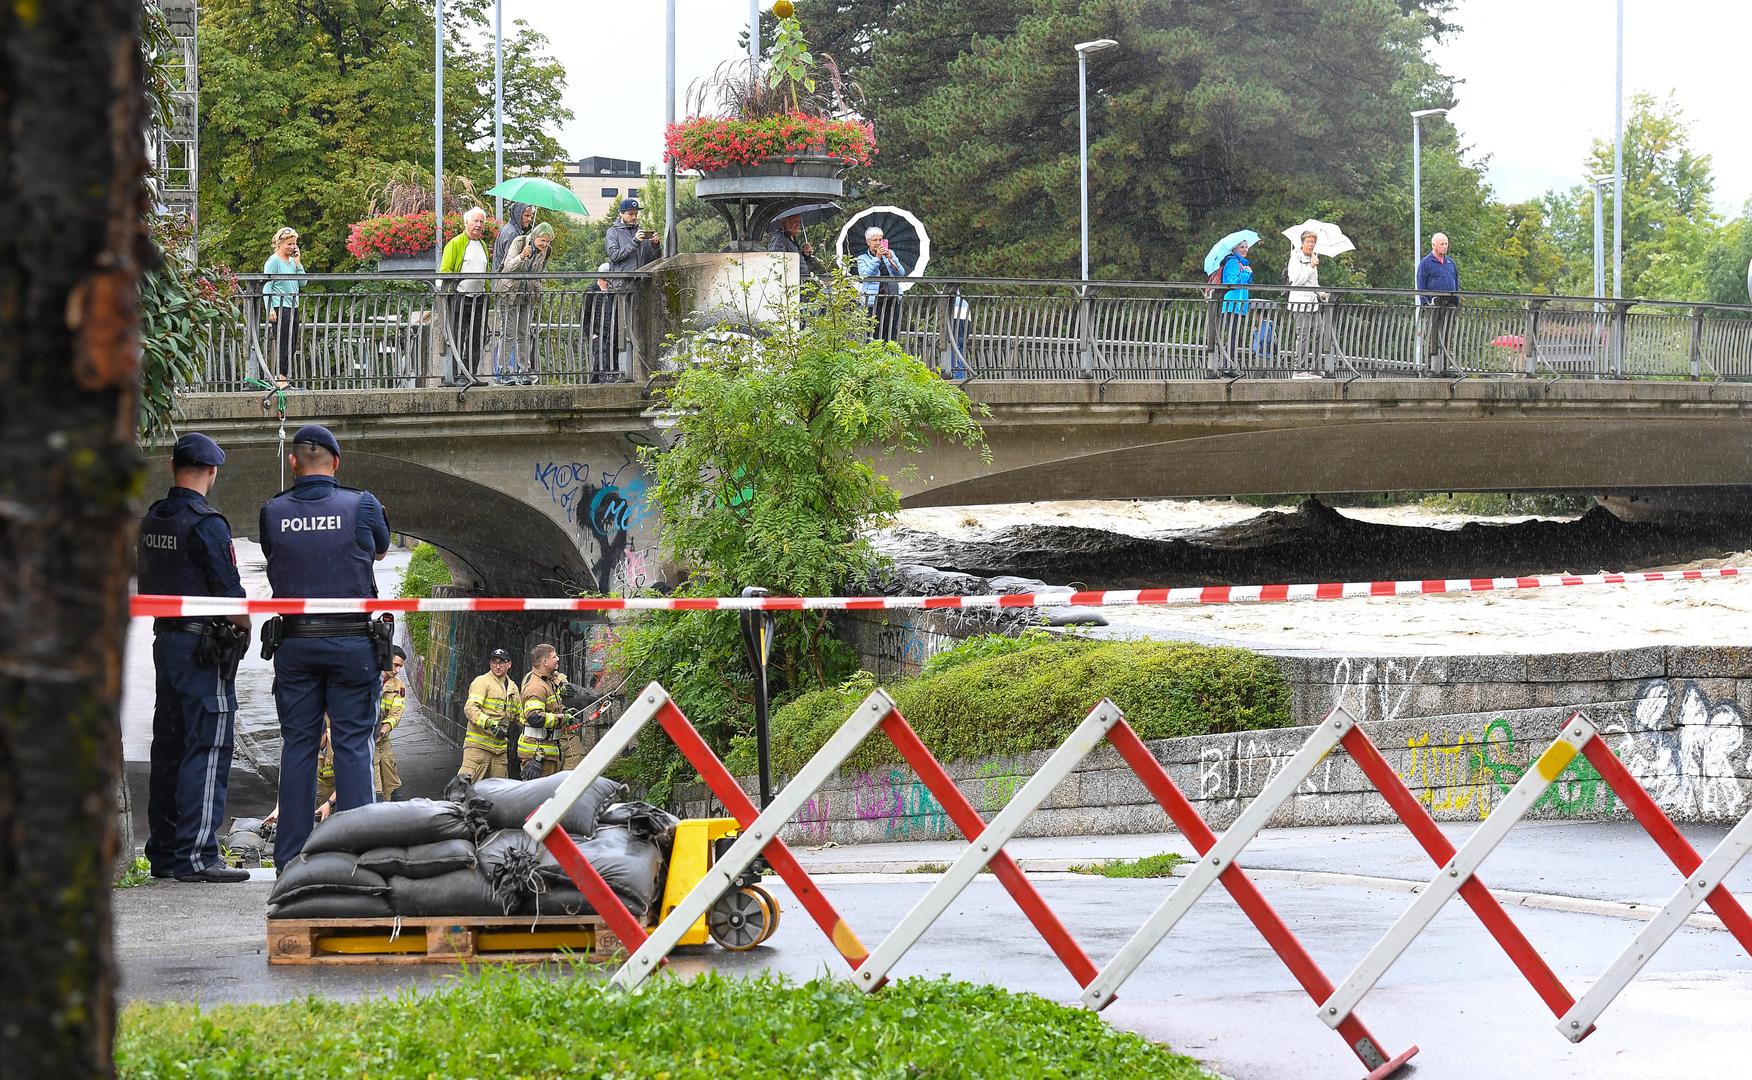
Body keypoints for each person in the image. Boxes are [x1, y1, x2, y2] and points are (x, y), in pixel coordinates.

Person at [260, 424, 391, 869]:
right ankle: (357, 856)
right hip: (352, 643)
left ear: (293, 463)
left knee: (298, 745)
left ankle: (290, 860)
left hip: (295, 644)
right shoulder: (363, 505)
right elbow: (379, 552)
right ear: (336, 463)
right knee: (353, 744)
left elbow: (279, 554)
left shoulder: (272, 511)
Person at [138, 432, 251, 883]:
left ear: (171, 466)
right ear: (213, 471)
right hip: (203, 647)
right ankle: (199, 856)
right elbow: (229, 594)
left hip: (165, 642)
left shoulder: (153, 519)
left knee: (169, 745)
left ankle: (164, 854)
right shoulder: (207, 523)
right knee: (208, 745)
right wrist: (245, 627)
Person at [496, 221, 554, 384]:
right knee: (507, 334)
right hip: (509, 293)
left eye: (547, 241)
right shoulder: (520, 242)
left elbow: (539, 271)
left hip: (528, 295)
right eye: (542, 240)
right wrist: (522, 256)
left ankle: (524, 371)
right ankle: (503, 371)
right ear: (534, 237)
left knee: (524, 333)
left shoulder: (546, 251)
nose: (545, 244)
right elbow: (507, 267)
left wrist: (537, 287)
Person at [440, 207, 493, 382]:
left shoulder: (483, 245)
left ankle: (470, 374)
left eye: (481, 222)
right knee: (458, 337)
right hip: (460, 298)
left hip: (479, 298)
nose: (478, 225)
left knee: (477, 338)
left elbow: (486, 272)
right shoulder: (455, 243)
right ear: (466, 223)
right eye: (475, 221)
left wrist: (488, 294)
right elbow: (445, 271)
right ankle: (455, 375)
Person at [459, 648, 518, 781]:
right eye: (494, 662)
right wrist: (489, 723)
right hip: (477, 749)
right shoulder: (482, 682)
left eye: (501, 662)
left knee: (500, 794)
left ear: (509, 664)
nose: (497, 666)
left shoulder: (512, 687)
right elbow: (470, 708)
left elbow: (518, 715)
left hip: (499, 751)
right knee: (462, 788)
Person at [518, 643, 570, 779]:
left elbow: (551, 707)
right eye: (554, 656)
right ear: (544, 662)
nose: (558, 659)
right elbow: (535, 717)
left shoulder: (547, 682)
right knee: (537, 797)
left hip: (547, 753)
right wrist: (562, 719)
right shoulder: (536, 686)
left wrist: (565, 711)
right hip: (537, 754)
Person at [262, 227, 304, 389]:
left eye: (294, 244)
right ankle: (281, 379)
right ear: (279, 244)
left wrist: (298, 263)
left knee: (292, 343)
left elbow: (302, 282)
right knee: (283, 342)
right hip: (280, 306)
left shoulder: (293, 262)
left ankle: (284, 377)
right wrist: (270, 308)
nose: (292, 247)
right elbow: (267, 285)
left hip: (293, 305)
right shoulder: (274, 261)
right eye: (289, 244)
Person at [1417, 232, 1461, 375]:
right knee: (1433, 336)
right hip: (1434, 306)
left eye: (1446, 244)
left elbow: (1456, 282)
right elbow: (1421, 286)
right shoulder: (1426, 263)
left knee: (1448, 335)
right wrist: (1427, 303)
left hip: (1450, 305)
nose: (1445, 247)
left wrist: (1456, 301)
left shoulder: (1450, 263)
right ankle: (1431, 367)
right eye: (1442, 244)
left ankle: (1445, 367)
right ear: (1434, 245)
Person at [855, 226, 908, 342]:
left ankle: (889, 357)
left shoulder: (890, 254)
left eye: (880, 240)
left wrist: (892, 258)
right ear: (868, 242)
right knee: (874, 333)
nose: (878, 243)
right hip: (873, 301)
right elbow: (865, 276)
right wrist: (877, 258)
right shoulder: (862, 259)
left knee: (891, 333)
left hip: (892, 299)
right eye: (875, 240)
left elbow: (901, 274)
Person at [1286, 230, 1324, 373]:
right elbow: (1296, 281)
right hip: (1300, 303)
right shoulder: (1295, 258)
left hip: (1313, 303)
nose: (1310, 245)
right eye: (1308, 242)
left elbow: (1313, 283)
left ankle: (1316, 367)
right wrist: (1310, 266)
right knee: (1303, 336)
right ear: (1302, 243)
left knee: (1319, 333)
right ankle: (1299, 368)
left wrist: (1322, 294)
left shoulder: (1313, 257)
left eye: (1313, 242)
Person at [1213, 240, 1252, 376]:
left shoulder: (1241, 264)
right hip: (1231, 305)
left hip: (1238, 305)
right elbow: (1232, 283)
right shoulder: (1232, 262)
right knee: (1231, 335)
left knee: (1234, 336)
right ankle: (1227, 366)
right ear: (1234, 248)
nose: (1245, 249)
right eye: (1242, 247)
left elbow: (1246, 284)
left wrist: (1247, 272)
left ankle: (1229, 365)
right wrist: (1246, 273)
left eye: (1246, 247)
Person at [605, 197, 661, 286]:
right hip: (621, 286)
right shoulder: (613, 232)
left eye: (636, 214)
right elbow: (613, 256)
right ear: (621, 214)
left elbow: (654, 261)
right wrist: (635, 241)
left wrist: (655, 246)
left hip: (643, 286)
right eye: (630, 214)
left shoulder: (641, 232)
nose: (634, 217)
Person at [375, 646, 407, 800]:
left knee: (392, 784)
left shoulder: (398, 686)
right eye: (395, 665)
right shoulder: (367, 679)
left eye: (400, 666)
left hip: (382, 739)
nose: (397, 670)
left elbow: (396, 714)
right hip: (365, 740)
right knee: (375, 787)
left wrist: (382, 731)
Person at [583, 262, 619, 383]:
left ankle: (600, 384)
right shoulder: (591, 291)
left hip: (610, 333)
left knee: (610, 360)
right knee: (600, 360)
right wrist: (591, 333)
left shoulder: (613, 292)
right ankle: (595, 385)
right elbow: (584, 315)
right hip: (597, 332)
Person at [769, 213, 825, 278]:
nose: (797, 225)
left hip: (800, 280)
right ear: (784, 223)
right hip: (791, 282)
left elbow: (796, 261)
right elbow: (775, 262)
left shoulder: (791, 238)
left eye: (798, 222)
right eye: (793, 222)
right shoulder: (779, 239)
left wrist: (805, 255)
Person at [494, 201, 536, 268]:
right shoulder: (513, 233)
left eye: (531, 216)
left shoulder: (507, 228)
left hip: (498, 276)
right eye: (526, 215)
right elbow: (509, 262)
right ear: (518, 215)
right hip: (504, 277)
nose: (529, 219)